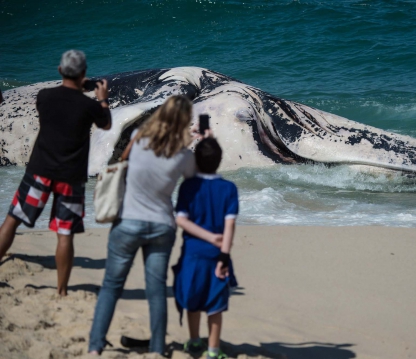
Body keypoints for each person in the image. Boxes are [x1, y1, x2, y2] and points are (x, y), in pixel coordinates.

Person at [88, 95, 197, 356]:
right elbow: (195, 185)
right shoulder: (183, 155)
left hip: (128, 222)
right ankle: (158, 350)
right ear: (184, 121)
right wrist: (195, 142)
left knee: (111, 286)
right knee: (156, 290)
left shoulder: (138, 136)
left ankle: (95, 347)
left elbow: (119, 164)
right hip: (162, 226)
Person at [0, 50, 111, 296]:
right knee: (64, 234)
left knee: (13, 219)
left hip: (40, 171)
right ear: (83, 74)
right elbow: (106, 123)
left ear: (60, 71)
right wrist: (101, 98)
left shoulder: (44, 96)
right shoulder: (90, 106)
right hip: (70, 178)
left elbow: (63, 108)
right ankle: (61, 290)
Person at [173, 137, 239, 359]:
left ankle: (193, 342)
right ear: (220, 161)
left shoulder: (188, 187)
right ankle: (212, 350)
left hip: (192, 253)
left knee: (192, 297)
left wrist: (208, 237)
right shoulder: (228, 188)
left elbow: (181, 220)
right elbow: (230, 226)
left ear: (196, 162)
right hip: (216, 256)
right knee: (215, 304)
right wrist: (223, 254)